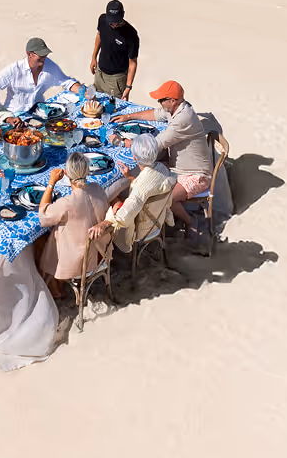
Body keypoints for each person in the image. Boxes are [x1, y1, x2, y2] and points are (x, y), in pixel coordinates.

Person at [111, 80, 212, 233]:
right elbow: (155, 114)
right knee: (152, 178)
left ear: (173, 100)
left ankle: (191, 222)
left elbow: (153, 146)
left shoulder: (183, 119)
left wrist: (122, 142)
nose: (159, 103)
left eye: (161, 100)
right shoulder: (175, 107)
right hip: (177, 166)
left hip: (195, 175)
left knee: (166, 199)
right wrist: (129, 117)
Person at [35, 152, 109, 296]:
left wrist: (51, 183)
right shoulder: (97, 189)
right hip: (101, 251)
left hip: (80, 263)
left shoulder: (67, 204)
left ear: (68, 174)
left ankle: (55, 286)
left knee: (37, 240)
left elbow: (43, 216)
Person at [89, 133, 175, 252]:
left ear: (134, 158)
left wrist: (104, 223)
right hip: (158, 219)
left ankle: (107, 251)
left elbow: (126, 213)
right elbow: (149, 188)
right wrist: (130, 178)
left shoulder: (141, 187)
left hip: (143, 228)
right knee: (116, 197)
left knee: (111, 200)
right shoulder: (162, 168)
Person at [0, 37, 85, 115]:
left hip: (38, 114)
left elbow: (67, 82)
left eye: (45, 53)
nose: (44, 56)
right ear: (29, 54)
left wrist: (84, 92)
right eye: (41, 54)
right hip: (15, 116)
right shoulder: (14, 70)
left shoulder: (49, 65)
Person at [89, 0, 139, 100]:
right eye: (111, 22)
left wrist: (128, 87)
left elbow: (132, 63)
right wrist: (94, 57)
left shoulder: (131, 34)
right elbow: (99, 35)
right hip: (100, 73)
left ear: (123, 15)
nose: (115, 25)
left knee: (113, 111)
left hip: (116, 80)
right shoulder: (102, 20)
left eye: (117, 21)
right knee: (94, 104)